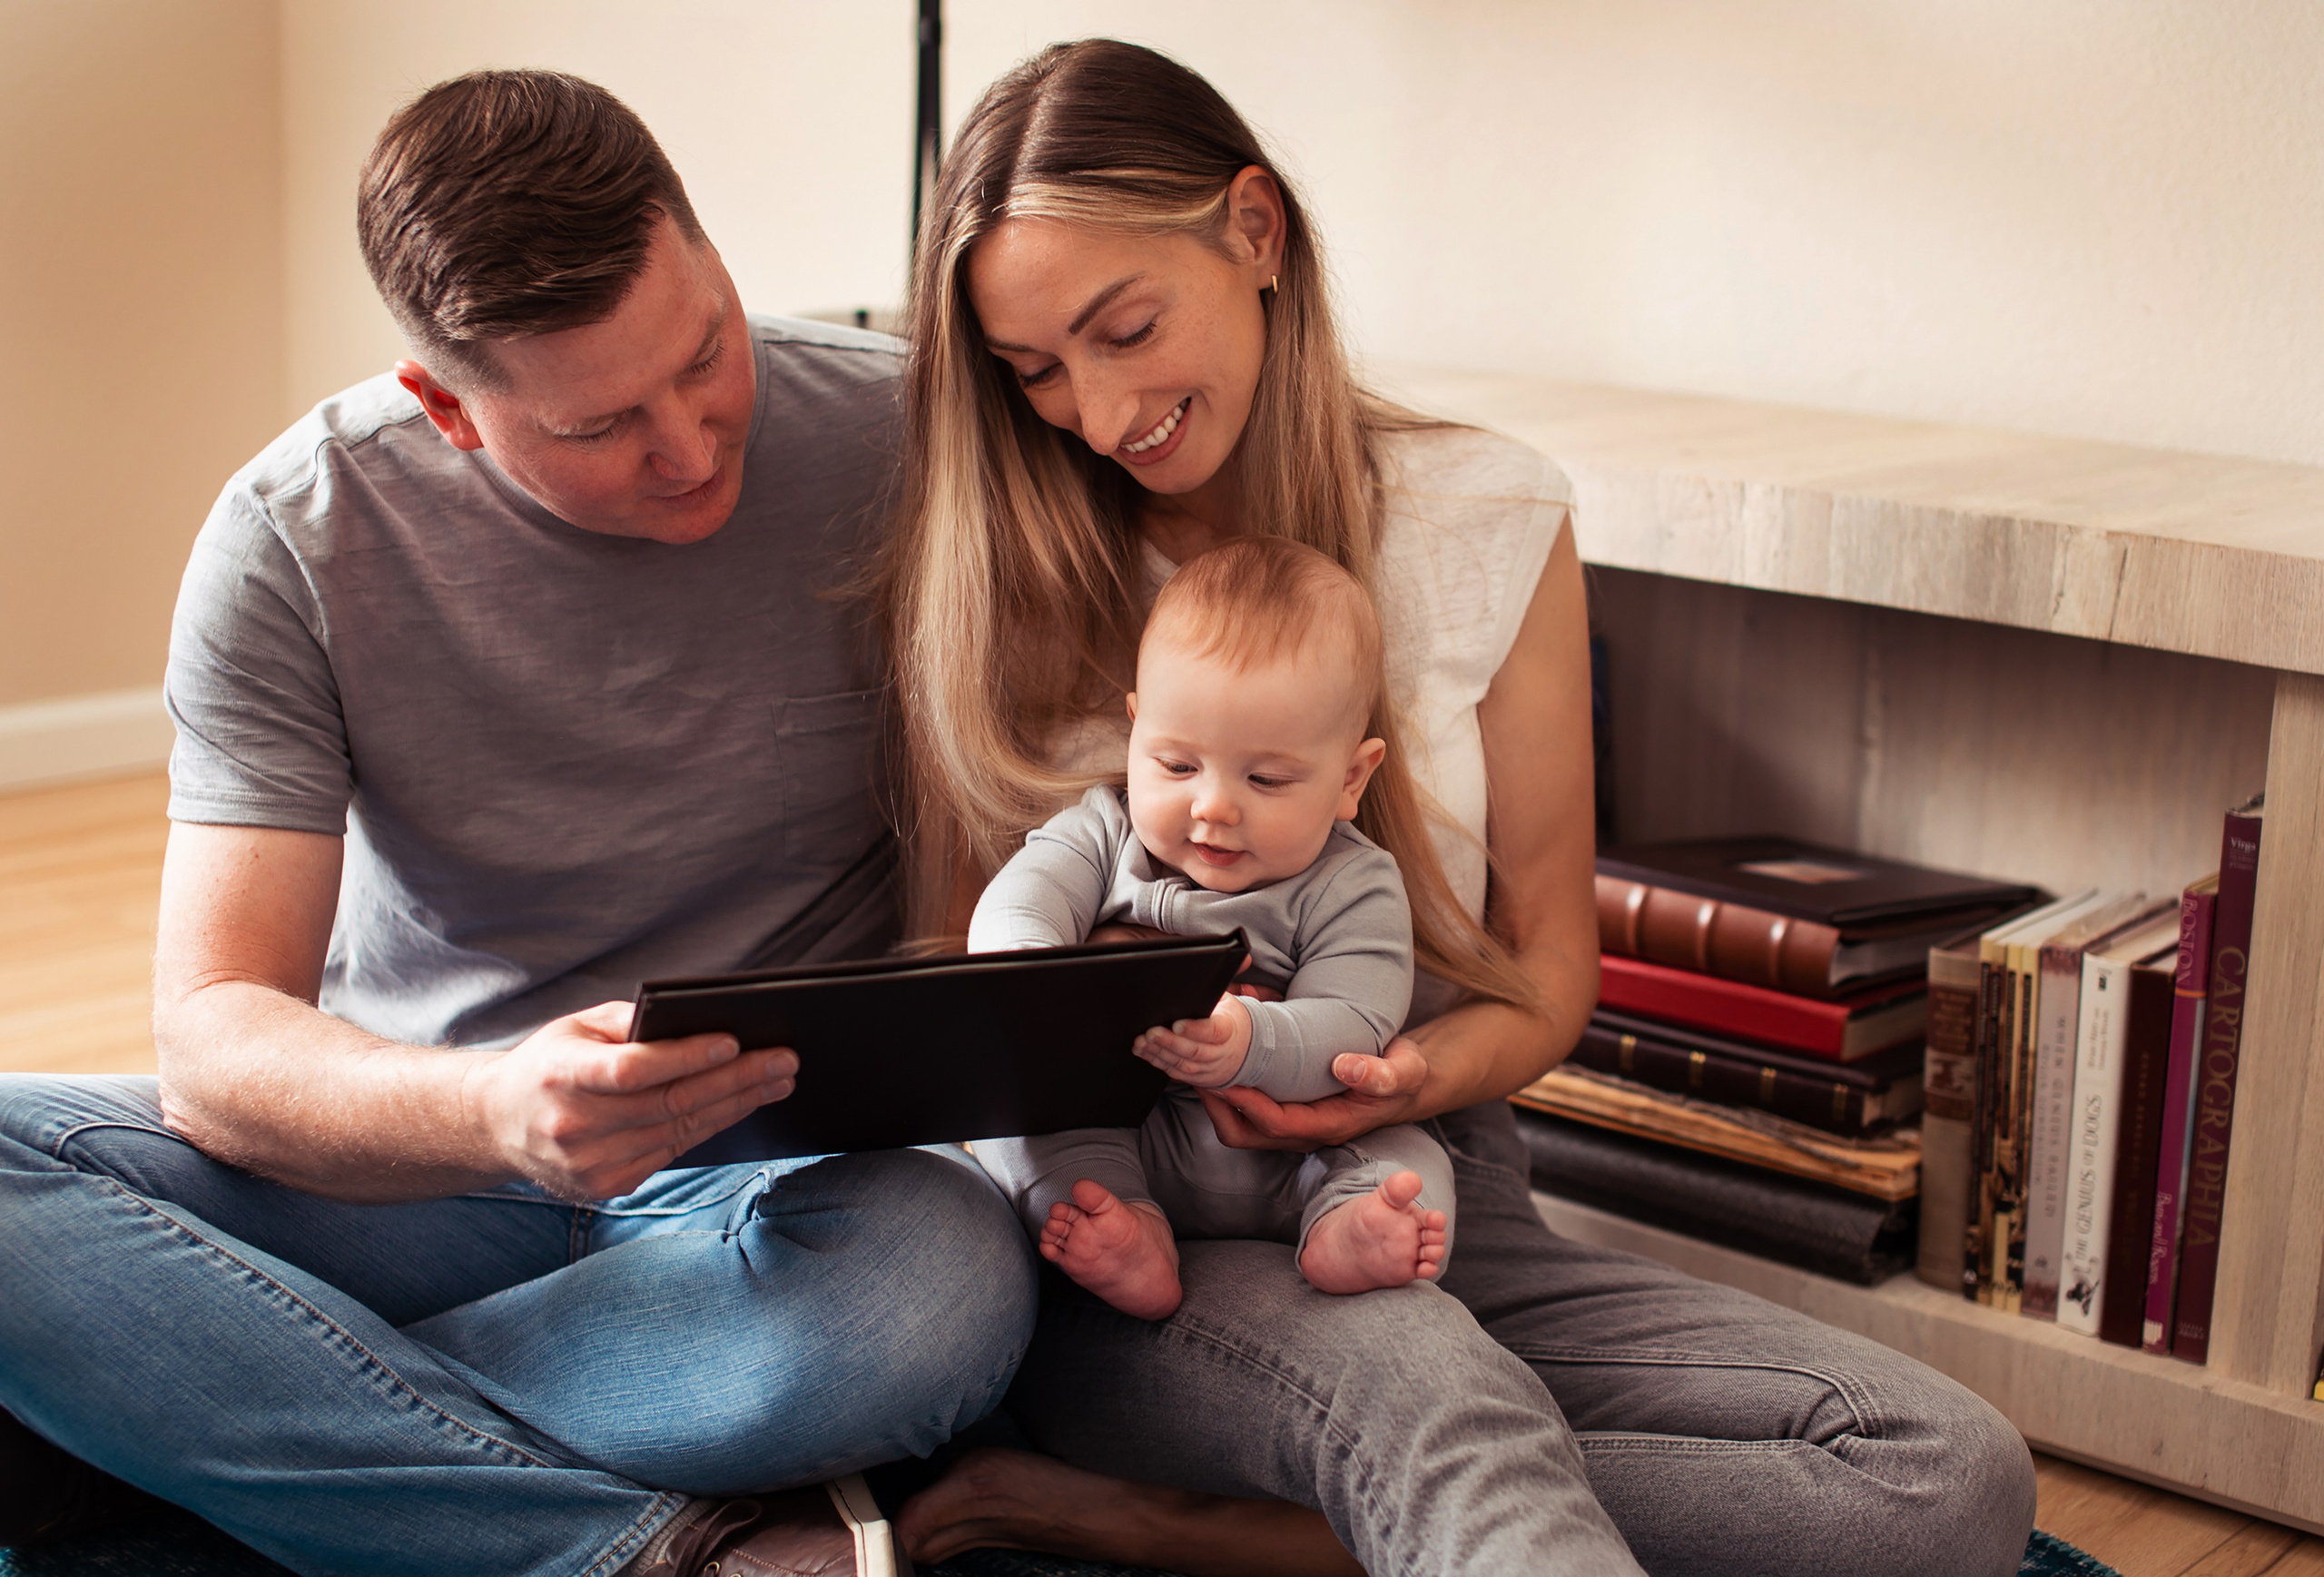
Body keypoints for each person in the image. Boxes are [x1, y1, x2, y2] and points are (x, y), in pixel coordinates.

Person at [879, 38, 2039, 1577]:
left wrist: (1382, 1084)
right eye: (1034, 372)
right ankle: (1371, 1496)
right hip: (1125, 1224)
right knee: (1433, 1409)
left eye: (1125, 329)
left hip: (1416, 1179)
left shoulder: (1491, 516)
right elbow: (942, 974)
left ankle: (1216, 1537)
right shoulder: (1006, 569)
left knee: (1947, 1477)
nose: (1094, 415)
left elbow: (1553, 966)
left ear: (1255, 232)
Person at [0, 71, 1035, 1577]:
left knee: (940, 1298)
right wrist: (492, 1111)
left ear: (712, 257)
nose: (689, 444)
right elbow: (217, 1036)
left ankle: (207, 1432)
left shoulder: (913, 444)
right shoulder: (299, 535)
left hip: (783, 1193)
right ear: (448, 408)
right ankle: (657, 1552)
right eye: (605, 420)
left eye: (707, 353)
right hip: (417, 1156)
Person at [971, 537, 1494, 1316]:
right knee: (1029, 1136)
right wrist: (1029, 974)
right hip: (1134, 1133)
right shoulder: (1104, 834)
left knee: (1405, 1157)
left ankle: (1349, 1230)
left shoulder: (1353, 882)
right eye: (1177, 765)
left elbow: (1356, 1022)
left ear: (1351, 777)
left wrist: (1249, 1041)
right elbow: (1020, 902)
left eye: (1266, 778)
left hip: (1301, 1154)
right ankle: (1128, 1230)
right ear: (1136, 730)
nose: (1212, 805)